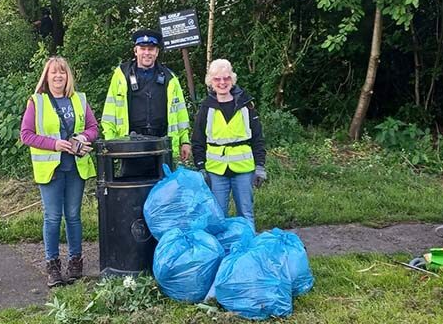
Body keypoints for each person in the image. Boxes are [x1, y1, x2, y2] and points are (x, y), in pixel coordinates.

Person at [20, 57, 98, 288]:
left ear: (68, 76)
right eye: (54, 73)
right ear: (47, 76)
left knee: (73, 216)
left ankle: (75, 262)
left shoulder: (79, 99)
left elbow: (93, 128)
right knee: (53, 217)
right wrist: (54, 144)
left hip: (75, 167)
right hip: (51, 169)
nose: (58, 76)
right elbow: (26, 135)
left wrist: (82, 138)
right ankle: (52, 265)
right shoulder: (37, 101)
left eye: (62, 72)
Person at [101, 29, 191, 176]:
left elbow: (180, 112)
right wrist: (112, 143)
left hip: (162, 144)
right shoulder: (121, 75)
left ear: (157, 52)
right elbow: (109, 112)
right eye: (143, 49)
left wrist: (185, 141)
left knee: (164, 194)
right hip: (130, 144)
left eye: (151, 49)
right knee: (132, 194)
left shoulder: (170, 78)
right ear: (135, 51)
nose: (147, 53)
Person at [191, 59, 267, 231]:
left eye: (226, 78)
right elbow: (198, 140)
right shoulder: (206, 108)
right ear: (211, 82)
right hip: (216, 171)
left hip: (243, 169)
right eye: (217, 79)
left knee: (246, 214)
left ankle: (248, 252)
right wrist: (201, 166)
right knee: (218, 216)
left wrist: (260, 165)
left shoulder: (246, 105)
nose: (222, 83)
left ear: (232, 80)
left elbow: (257, 138)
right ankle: (221, 253)